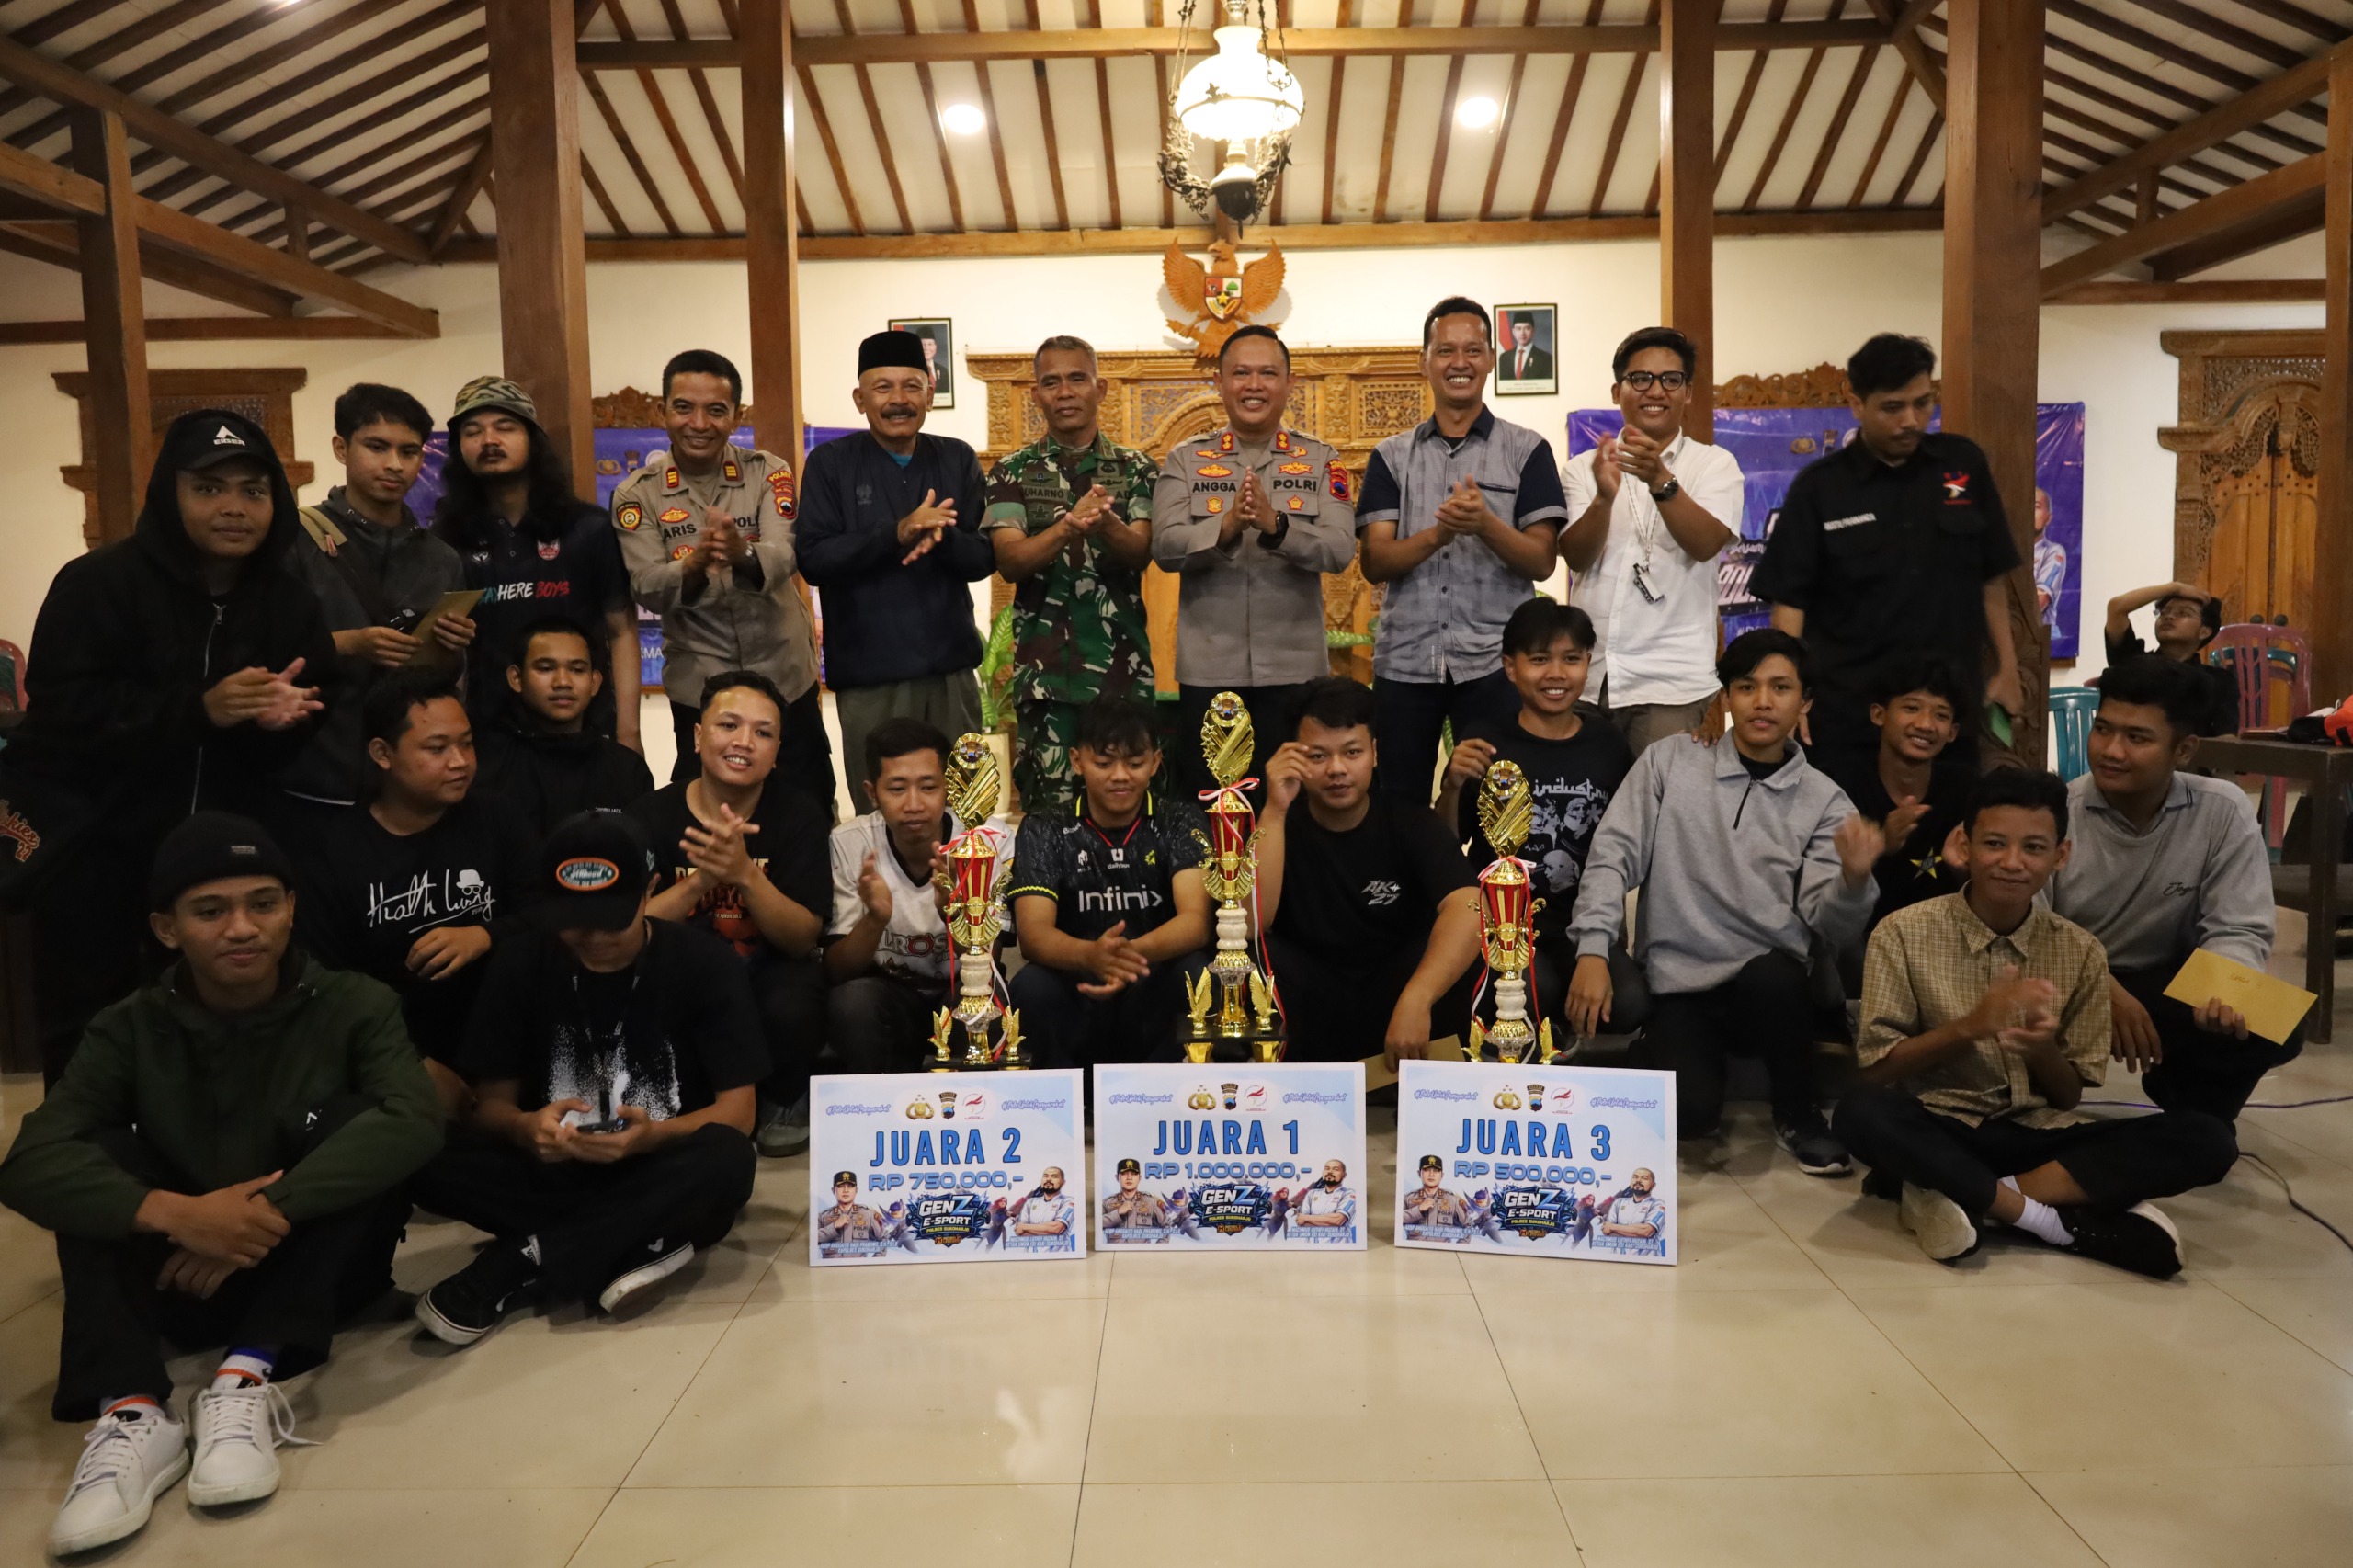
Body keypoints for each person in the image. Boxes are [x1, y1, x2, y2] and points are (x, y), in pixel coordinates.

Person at [0, 814, 440, 1554]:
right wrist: (177, 1214)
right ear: (166, 929)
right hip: (178, 1276)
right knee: (94, 1156)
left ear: (291, 909)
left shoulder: (356, 1003)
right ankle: (131, 1413)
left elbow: (416, 1121)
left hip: (311, 1274)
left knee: (360, 1126)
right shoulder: (127, 1026)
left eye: (263, 903)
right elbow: (29, 1162)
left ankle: (245, 1380)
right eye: (211, 911)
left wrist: (262, 1211)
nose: (243, 928)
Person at [8, 409, 332, 1083]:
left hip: (221, 861)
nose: (234, 508)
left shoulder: (290, 603)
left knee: (217, 1031)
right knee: (90, 1034)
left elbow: (302, 717)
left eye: (253, 490)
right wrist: (199, 710)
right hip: (94, 849)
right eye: (208, 488)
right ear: (169, 492)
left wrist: (281, 725)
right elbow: (62, 710)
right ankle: (89, 1149)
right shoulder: (98, 582)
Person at [1836, 769, 2237, 1278]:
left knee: (2208, 1137)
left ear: (2060, 856)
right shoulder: (1902, 932)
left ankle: (1969, 1195)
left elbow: (2067, 1097)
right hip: (1940, 1125)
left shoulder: (2081, 950)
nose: (2012, 862)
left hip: (2036, 1135)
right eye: (1994, 844)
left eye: (2033, 848)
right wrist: (1970, 1027)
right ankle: (2044, 1220)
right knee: (1859, 1112)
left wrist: (2042, 1048)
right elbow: (1876, 1071)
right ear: (1965, 845)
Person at [410, 812, 761, 1345]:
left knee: (728, 1157)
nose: (593, 937)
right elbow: (490, 1107)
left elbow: (739, 1113)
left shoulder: (704, 962)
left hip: (660, 1165)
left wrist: (651, 1137)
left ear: (650, 890)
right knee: (418, 1147)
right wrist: (526, 1127)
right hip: (556, 1167)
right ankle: (632, 1240)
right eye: (574, 920)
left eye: (611, 920)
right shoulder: (520, 962)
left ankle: (523, 1258)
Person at [1566, 629, 1881, 1172]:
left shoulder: (1825, 801)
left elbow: (1831, 927)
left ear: (1805, 702)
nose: (1763, 702)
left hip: (1770, 989)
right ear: (1727, 697)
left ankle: (1798, 1114)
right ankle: (1658, 1053)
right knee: (1690, 1117)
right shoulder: (1669, 761)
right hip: (1680, 986)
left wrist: (1853, 880)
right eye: (1747, 687)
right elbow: (1612, 856)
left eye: (1781, 688)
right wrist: (1593, 948)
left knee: (1777, 976)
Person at [1749, 333, 2024, 784]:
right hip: (1848, 716)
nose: (1910, 420)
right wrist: (1790, 694)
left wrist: (2007, 667)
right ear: (1856, 403)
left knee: (1951, 824)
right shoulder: (1820, 489)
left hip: (1946, 716)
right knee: (1849, 828)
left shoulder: (1962, 465)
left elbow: (1990, 577)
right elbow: (1789, 607)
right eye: (1893, 407)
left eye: (1922, 403)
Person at [2045, 656, 2300, 1121]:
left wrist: (2223, 989)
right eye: (2103, 729)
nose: (2111, 750)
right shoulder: (2056, 813)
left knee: (2279, 1020)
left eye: (2137, 738)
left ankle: (2192, 1110)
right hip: (2066, 984)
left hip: (2166, 979)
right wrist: (2100, 987)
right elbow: (2026, 932)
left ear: (2183, 750)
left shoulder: (2221, 810)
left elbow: (2239, 926)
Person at [295, 671, 539, 1107]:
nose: (460, 761)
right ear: (382, 753)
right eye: (437, 748)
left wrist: (484, 935)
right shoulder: (334, 851)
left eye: (467, 743)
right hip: (389, 1057)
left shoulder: (498, 818)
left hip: (509, 1044)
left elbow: (551, 913)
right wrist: (410, 1062)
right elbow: (324, 987)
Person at [1358, 298, 1566, 801]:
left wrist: (1485, 524)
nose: (1460, 362)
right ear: (1424, 361)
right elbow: (1374, 562)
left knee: (1496, 805)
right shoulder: (1391, 456)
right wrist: (1439, 535)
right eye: (1446, 350)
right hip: (1405, 661)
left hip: (1497, 664)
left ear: (1491, 359)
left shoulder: (1527, 450)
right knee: (1398, 805)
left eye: (1473, 350)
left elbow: (1542, 560)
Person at [627, 669, 831, 1159]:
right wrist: (701, 880)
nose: (744, 742)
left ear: (777, 752)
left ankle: (784, 1097)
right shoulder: (649, 816)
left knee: (796, 995)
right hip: (678, 974)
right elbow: (627, 931)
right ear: (698, 737)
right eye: (728, 725)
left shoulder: (799, 816)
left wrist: (744, 874)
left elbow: (802, 937)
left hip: (765, 971)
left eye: (763, 733)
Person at [611, 349, 831, 803]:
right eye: (683, 408)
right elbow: (645, 584)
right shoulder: (636, 495)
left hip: (786, 679)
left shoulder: (768, 472)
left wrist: (741, 554)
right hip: (700, 688)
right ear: (662, 412)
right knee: (705, 811)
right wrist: (693, 566)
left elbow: (786, 552)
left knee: (806, 809)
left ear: (736, 417)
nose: (699, 423)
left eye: (715, 410)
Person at [1151, 326, 1358, 801]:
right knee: (1212, 806)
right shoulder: (1185, 460)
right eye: (1241, 373)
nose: (1254, 385)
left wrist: (1277, 526)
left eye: (1267, 374)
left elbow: (1339, 549)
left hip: (1295, 674)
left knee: (1294, 804)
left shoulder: (1321, 459)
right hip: (1210, 673)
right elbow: (1165, 547)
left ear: (1289, 384)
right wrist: (1223, 528)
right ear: (1220, 383)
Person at [797, 330, 995, 804]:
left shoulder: (956, 457)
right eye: (883, 387)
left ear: (930, 393)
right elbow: (814, 559)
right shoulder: (831, 464)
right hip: (871, 677)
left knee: (966, 808)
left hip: (950, 674)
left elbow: (985, 557)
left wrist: (941, 537)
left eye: (911, 386)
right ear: (860, 399)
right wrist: (897, 533)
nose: (899, 400)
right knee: (883, 813)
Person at [1435, 598, 1640, 1037]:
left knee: (1630, 1003)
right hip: (1503, 928)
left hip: (1581, 925)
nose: (1556, 674)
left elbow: (1627, 846)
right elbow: (1447, 846)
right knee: (1531, 993)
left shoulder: (1607, 744)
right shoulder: (1486, 740)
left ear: (1588, 663)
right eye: (1540, 659)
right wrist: (1451, 786)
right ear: (1510, 667)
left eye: (1571, 659)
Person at [276, 382, 475, 832]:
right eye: (377, 447)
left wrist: (450, 649)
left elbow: (441, 683)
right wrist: (350, 643)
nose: (395, 465)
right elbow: (263, 649)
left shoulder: (441, 559)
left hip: (409, 790)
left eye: (409, 451)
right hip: (313, 774)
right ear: (341, 448)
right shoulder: (295, 539)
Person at [1256, 678, 1482, 1065]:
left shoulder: (1409, 822)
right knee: (1254, 955)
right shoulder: (1276, 825)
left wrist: (1418, 997)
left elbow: (1469, 906)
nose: (1337, 769)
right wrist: (1274, 809)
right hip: (1312, 999)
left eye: (1352, 752)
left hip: (1394, 997)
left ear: (1374, 753)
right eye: (1317, 756)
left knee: (1465, 955)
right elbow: (1251, 922)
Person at [983, 335, 1160, 814]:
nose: (1064, 392)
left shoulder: (1137, 468)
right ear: (1036, 395)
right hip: (1047, 682)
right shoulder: (1011, 472)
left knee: (1127, 812)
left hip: (1123, 676)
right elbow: (1009, 561)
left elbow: (1142, 552)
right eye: (1051, 382)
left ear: (1100, 389)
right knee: (1050, 817)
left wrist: (1106, 525)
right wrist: (1067, 526)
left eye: (1077, 379)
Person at [1560, 327, 1746, 754]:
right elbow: (1575, 557)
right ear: (1617, 391)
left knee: (1664, 798)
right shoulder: (1582, 469)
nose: (1655, 391)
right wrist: (1603, 498)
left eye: (1671, 380)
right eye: (1640, 378)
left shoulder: (1714, 465)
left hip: (1671, 685)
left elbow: (1705, 544)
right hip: (1591, 680)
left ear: (1688, 392)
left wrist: (1660, 479)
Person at [429, 376, 640, 750]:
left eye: (505, 427)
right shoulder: (447, 540)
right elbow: (446, 652)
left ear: (533, 440)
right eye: (473, 431)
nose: (489, 440)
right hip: (490, 739)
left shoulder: (587, 528)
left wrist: (629, 734)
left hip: (586, 736)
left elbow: (622, 632)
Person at [1006, 697, 1211, 1071]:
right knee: (1031, 987)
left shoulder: (1180, 820)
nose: (1120, 776)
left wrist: (1125, 957)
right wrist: (1090, 957)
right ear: (1076, 761)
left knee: (1199, 973)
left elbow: (1195, 922)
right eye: (1103, 763)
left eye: (1134, 763)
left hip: (1153, 983)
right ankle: (1062, 1098)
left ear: (1155, 762)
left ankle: (1168, 1095)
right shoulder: (1044, 827)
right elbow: (1033, 935)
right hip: (1076, 984)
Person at [824, 719, 1011, 1072]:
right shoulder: (850, 843)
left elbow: (991, 958)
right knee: (852, 1002)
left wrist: (953, 911)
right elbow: (837, 970)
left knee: (987, 999)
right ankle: (879, 1102)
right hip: (890, 997)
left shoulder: (987, 841)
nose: (914, 804)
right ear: (871, 793)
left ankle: (975, 1100)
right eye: (897, 789)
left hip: (963, 990)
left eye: (928, 787)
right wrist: (875, 919)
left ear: (949, 788)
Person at [473, 616, 656, 832]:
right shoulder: (486, 764)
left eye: (577, 670)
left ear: (595, 682)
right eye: (545, 668)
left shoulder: (627, 769)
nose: (562, 682)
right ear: (516, 678)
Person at [1842, 654, 1975, 939]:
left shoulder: (1968, 789)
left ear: (1952, 733)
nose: (1925, 724)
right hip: (1864, 941)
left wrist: (1964, 871)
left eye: (1941, 715)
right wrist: (1882, 844)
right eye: (1912, 708)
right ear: (1879, 714)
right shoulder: (1842, 784)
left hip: (1945, 941)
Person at [2103, 580, 2234, 735]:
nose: (2169, 617)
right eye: (2164, 612)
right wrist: (2174, 588)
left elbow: (2226, 737)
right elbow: (2116, 608)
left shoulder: (2218, 681)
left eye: (2183, 613)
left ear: (2204, 632)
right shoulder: (2135, 664)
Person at [1402, 1154, 1474, 1229]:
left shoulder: (1453, 1200)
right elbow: (1397, 1219)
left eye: (1436, 1170)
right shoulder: (1408, 1198)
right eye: (1426, 1170)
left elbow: (1468, 1226)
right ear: (1419, 1173)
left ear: (1442, 1175)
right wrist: (1419, 1209)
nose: (1431, 1174)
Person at [2030, 487, 2065, 628]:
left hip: (2041, 635)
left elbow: (2038, 604)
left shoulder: (2053, 552)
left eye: (2036, 507)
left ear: (2048, 518)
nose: (2029, 512)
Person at [1290, 1159, 1357, 1230]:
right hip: (1312, 1237)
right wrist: (1329, 1221)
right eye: (1327, 1169)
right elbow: (1301, 1221)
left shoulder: (1349, 1194)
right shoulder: (1311, 1194)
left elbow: (1338, 1220)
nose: (1330, 1172)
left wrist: (1306, 1218)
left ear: (1344, 1175)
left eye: (1335, 1169)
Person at [1496, 313, 1552, 383]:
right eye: (1518, 328)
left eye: (1527, 328)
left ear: (1533, 331)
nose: (1522, 333)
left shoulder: (1545, 359)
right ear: (1513, 332)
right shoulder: (1504, 358)